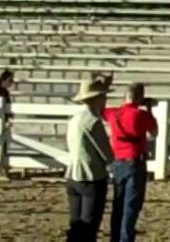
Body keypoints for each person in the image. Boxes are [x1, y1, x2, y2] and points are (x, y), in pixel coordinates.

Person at [103, 84, 157, 242]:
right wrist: (149, 109)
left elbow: (101, 111)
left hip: (118, 161)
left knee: (118, 203)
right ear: (140, 98)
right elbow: (154, 133)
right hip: (135, 162)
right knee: (131, 206)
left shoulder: (114, 113)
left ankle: (115, 237)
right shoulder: (140, 114)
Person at [65, 77, 113, 242]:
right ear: (96, 98)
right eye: (104, 96)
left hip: (73, 174)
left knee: (76, 223)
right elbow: (105, 152)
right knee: (89, 224)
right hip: (91, 175)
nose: (106, 100)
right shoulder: (92, 121)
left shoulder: (74, 119)